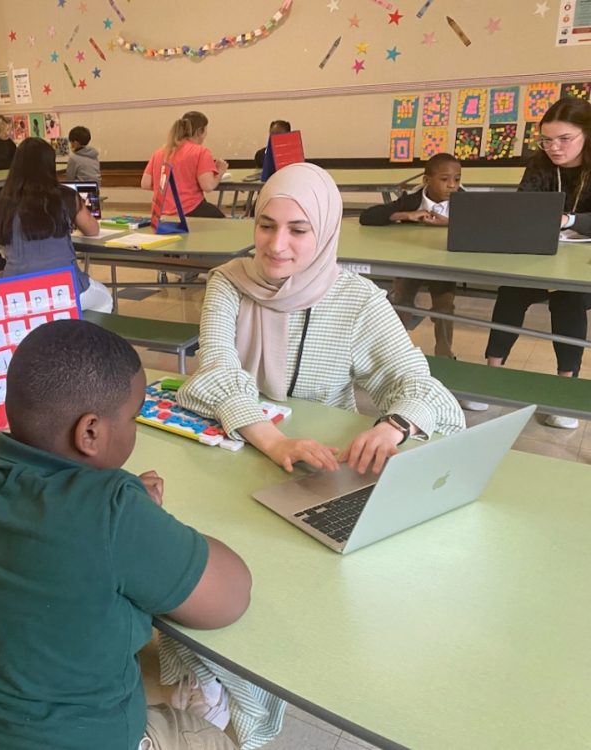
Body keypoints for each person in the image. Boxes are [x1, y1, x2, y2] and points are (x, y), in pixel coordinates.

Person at [160, 163, 464, 749]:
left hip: (317, 468)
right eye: (267, 225)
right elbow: (217, 372)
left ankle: (253, 687)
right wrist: (273, 440)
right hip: (241, 448)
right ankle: (209, 682)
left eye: (299, 230)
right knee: (192, 558)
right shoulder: (228, 282)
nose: (277, 245)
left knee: (281, 585)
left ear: (324, 232)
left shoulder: (357, 300)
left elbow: (419, 384)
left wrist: (396, 424)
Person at [0, 319, 251, 750]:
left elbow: (37, 530)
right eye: (134, 416)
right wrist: (140, 519)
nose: (135, 428)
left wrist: (124, 514)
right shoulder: (113, 510)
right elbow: (230, 597)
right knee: (210, 738)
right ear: (89, 432)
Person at [484, 96, 591, 429]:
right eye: (546, 140)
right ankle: (488, 378)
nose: (554, 148)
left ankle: (565, 391)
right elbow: (523, 207)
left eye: (564, 139)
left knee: (567, 299)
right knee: (511, 290)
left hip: (582, 262)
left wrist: (568, 220)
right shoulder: (540, 163)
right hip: (541, 251)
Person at [359, 154, 485, 412]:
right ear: (427, 180)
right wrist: (405, 215)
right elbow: (368, 216)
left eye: (458, 179)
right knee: (401, 302)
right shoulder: (412, 199)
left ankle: (445, 355)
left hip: (443, 267)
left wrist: (449, 223)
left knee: (444, 307)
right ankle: (395, 351)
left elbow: (485, 225)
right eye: (445, 179)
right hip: (411, 263)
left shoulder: (466, 201)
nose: (453, 185)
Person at [0, 137, 113, 312]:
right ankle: (83, 336)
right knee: (104, 299)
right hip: (63, 287)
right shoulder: (64, 195)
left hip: (16, 290)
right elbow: (93, 230)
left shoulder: (4, 200)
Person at [141, 111, 228, 218]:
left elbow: (145, 183)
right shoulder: (201, 152)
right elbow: (208, 186)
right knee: (222, 221)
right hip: (188, 210)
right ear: (200, 131)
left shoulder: (159, 152)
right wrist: (220, 172)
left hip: (159, 213)